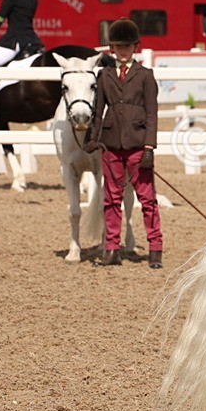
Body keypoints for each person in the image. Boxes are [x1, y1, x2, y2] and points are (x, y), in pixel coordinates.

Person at [85, 18, 163, 269]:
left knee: (147, 199)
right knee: (111, 198)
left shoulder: (145, 76)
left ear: (135, 47)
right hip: (111, 145)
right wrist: (92, 138)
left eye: (127, 46)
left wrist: (149, 147)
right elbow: (98, 111)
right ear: (112, 49)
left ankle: (155, 249)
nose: (123, 50)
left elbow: (152, 113)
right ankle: (111, 249)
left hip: (138, 143)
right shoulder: (105, 75)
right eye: (119, 46)